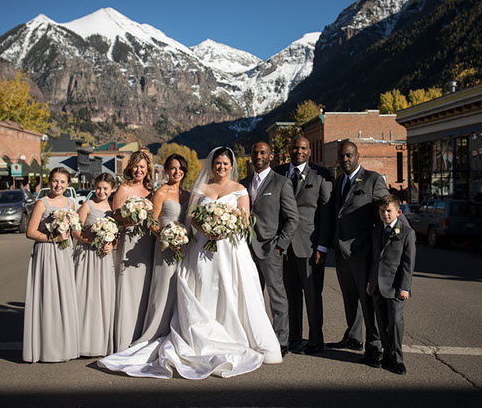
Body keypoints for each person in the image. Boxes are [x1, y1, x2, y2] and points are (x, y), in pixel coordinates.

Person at [98, 147, 282, 379]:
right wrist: (206, 228)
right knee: (203, 288)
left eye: (225, 164)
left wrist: (223, 229)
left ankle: (237, 336)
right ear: (212, 164)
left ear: (231, 165)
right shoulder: (201, 188)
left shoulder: (239, 189)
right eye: (217, 163)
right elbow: (192, 217)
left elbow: (244, 220)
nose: (221, 167)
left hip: (230, 250)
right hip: (202, 247)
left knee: (232, 291)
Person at [328, 140, 401, 367]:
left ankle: (374, 346)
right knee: (350, 299)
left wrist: (401, 231)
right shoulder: (338, 181)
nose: (345, 160)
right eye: (342, 156)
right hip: (341, 253)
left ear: (358, 156)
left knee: (368, 302)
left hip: (363, 252)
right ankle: (354, 337)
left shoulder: (372, 179)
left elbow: (387, 206)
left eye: (349, 155)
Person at [274, 136, 333, 355]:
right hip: (283, 246)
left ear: (309, 152)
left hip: (310, 246)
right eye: (295, 148)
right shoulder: (277, 172)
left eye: (303, 148)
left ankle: (316, 340)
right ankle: (293, 338)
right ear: (289, 151)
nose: (298, 151)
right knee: (290, 296)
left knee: (312, 296)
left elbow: (326, 213)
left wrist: (323, 246)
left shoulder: (321, 175)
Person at [239, 141, 299, 357]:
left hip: (270, 249)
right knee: (251, 297)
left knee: (277, 298)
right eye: (255, 153)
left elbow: (292, 219)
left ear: (270, 156)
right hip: (246, 250)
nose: (258, 156)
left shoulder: (281, 183)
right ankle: (256, 338)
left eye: (263, 153)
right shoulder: (242, 183)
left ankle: (281, 341)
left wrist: (280, 245)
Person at [23, 167, 79, 363]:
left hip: (64, 252)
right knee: (48, 296)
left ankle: (64, 345)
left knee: (63, 296)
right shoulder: (42, 203)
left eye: (62, 182)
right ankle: (46, 347)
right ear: (49, 182)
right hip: (46, 252)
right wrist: (51, 237)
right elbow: (30, 232)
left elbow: (74, 230)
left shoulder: (71, 203)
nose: (58, 185)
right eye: (55, 181)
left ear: (68, 184)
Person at [133, 154, 189, 344]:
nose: (177, 171)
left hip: (184, 248)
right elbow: (151, 222)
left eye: (181, 168)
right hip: (165, 247)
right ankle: (156, 331)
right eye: (173, 168)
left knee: (182, 288)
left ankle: (179, 331)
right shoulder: (161, 193)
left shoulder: (187, 195)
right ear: (166, 170)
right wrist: (166, 237)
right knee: (163, 287)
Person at [111, 150, 156, 352]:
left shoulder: (151, 190)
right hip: (129, 241)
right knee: (128, 287)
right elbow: (115, 215)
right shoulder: (124, 188)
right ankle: (124, 337)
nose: (139, 170)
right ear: (130, 168)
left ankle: (141, 335)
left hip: (147, 242)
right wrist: (130, 218)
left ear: (148, 171)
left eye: (142, 167)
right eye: (136, 166)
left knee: (145, 287)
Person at [367, 195, 416, 375]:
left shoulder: (406, 232)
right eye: (382, 211)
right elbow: (374, 259)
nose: (385, 214)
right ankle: (386, 355)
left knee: (395, 322)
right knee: (382, 321)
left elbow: (408, 263)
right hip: (378, 285)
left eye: (389, 211)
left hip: (396, 286)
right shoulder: (376, 229)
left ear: (398, 212)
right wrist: (370, 282)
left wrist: (405, 287)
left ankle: (397, 359)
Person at [72, 173, 117, 357]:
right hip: (87, 256)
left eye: (105, 188)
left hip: (104, 258)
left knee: (102, 297)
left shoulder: (112, 208)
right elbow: (75, 231)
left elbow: (116, 234)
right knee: (85, 296)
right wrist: (93, 241)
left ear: (112, 189)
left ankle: (99, 342)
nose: (101, 191)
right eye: (98, 188)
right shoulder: (87, 205)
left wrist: (111, 244)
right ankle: (81, 342)